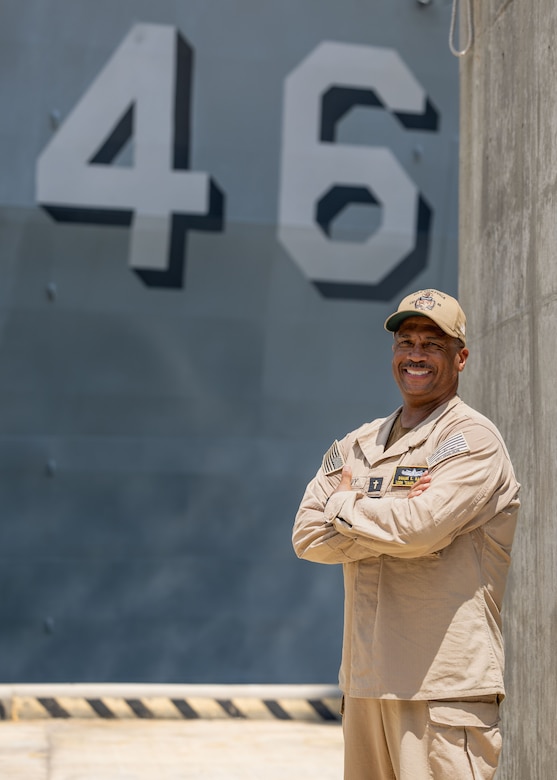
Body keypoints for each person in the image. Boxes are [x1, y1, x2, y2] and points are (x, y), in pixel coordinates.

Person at [292, 289, 520, 780]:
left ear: (460, 357)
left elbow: (421, 530)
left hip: (440, 693)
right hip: (365, 684)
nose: (415, 355)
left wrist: (346, 504)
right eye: (406, 342)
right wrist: (391, 519)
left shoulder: (473, 441)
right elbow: (307, 536)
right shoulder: (359, 441)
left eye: (433, 345)